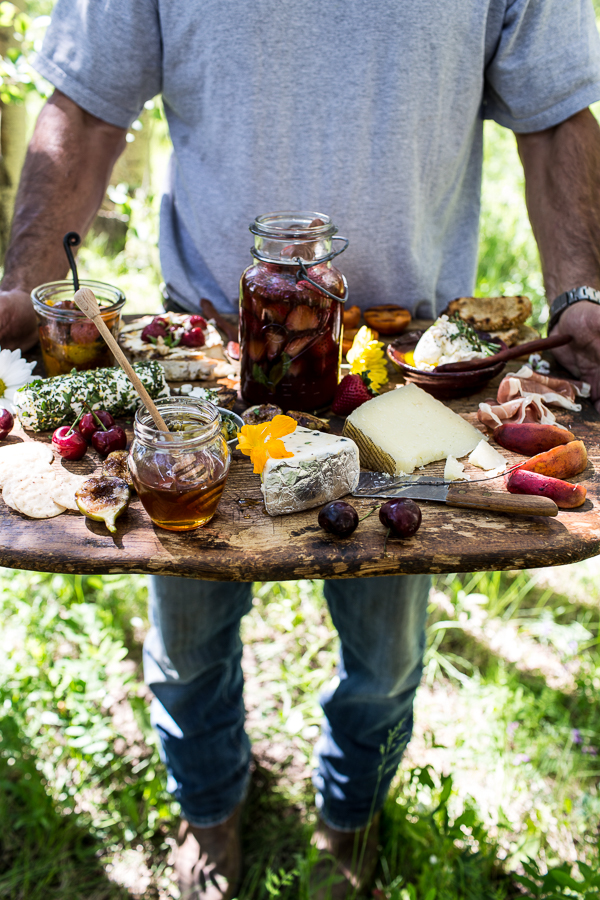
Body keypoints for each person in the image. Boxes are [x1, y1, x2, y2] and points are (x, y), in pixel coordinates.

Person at [2, 2, 600, 898]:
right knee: (190, 645)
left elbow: (556, 115)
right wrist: (24, 288)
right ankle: (210, 815)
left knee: (388, 657)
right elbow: (86, 107)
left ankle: (348, 818)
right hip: (196, 374)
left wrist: (582, 292)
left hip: (404, 383)